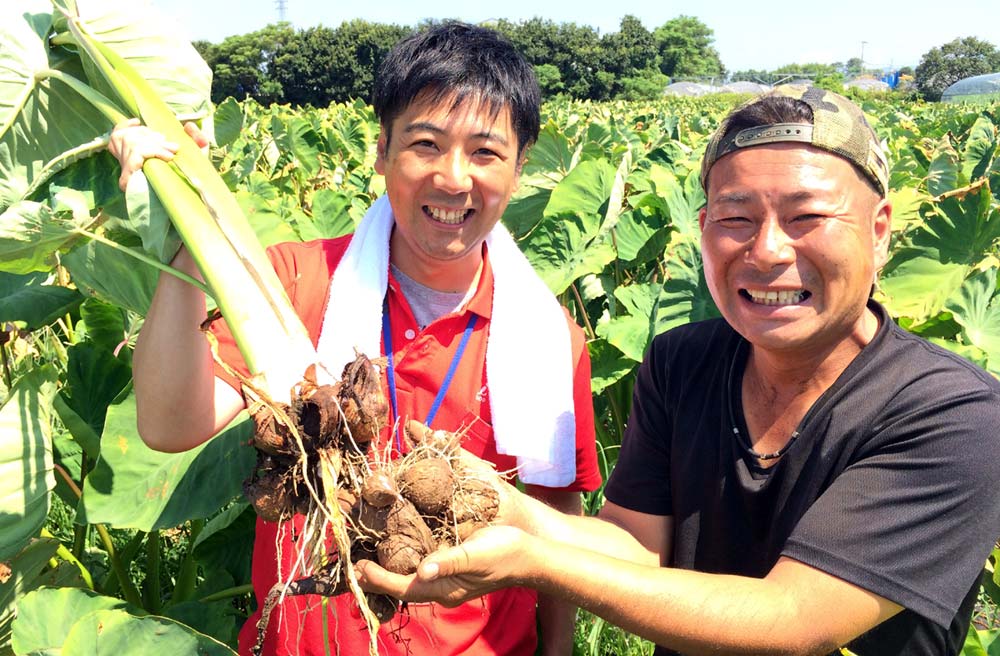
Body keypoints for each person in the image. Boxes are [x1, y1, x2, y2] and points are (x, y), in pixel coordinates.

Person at [356, 85, 1000, 655]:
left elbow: (793, 620)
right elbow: (636, 548)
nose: (769, 249)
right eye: (736, 218)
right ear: (704, 228)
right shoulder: (681, 361)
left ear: (880, 230)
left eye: (806, 217)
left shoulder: (955, 414)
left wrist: (535, 562)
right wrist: (505, 508)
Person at [113, 22, 601, 656]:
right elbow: (170, 423)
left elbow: (557, 515)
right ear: (381, 151)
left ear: (518, 168)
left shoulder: (547, 339)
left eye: (484, 152)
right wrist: (184, 227)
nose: (454, 179)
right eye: (425, 144)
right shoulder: (296, 282)